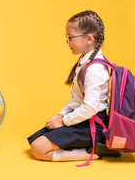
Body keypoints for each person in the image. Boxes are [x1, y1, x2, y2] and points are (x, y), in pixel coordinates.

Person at [27, 10, 120, 162]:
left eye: (70, 37)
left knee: (38, 149)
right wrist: (62, 115)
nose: (67, 41)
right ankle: (89, 146)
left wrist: (64, 122)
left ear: (88, 38)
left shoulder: (94, 70)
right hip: (81, 118)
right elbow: (76, 100)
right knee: (35, 140)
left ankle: (98, 151)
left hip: (92, 124)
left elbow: (90, 108)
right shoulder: (84, 61)